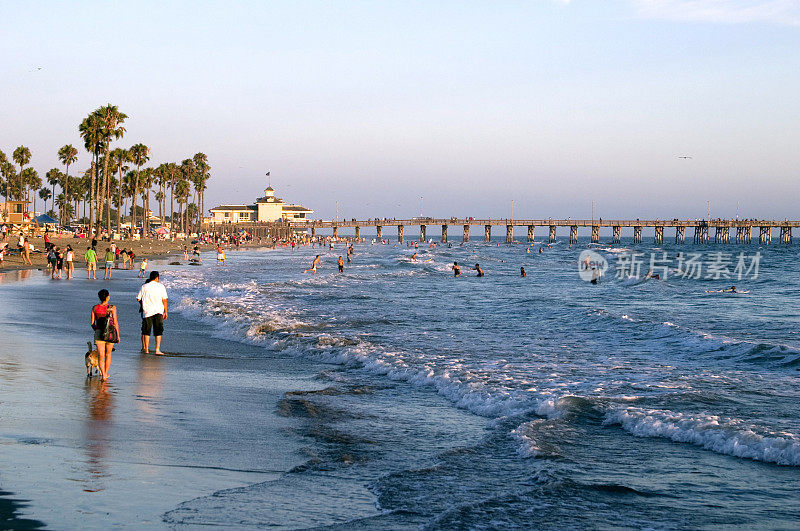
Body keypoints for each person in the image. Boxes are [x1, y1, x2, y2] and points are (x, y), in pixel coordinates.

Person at [90, 289, 120, 381]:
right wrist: (117, 335)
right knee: (108, 354)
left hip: (99, 333)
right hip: (110, 333)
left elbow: (92, 323)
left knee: (101, 355)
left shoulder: (95, 308)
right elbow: (115, 322)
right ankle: (106, 373)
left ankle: (103, 375)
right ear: (107, 297)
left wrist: (97, 330)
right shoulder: (112, 308)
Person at [137, 271, 168, 355]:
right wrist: (166, 311)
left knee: (147, 331)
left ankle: (146, 349)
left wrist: (143, 303)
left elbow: (138, 298)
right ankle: (157, 349)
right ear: (157, 277)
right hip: (158, 310)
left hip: (147, 311)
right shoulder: (161, 286)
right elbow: (164, 300)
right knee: (158, 331)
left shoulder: (144, 286)